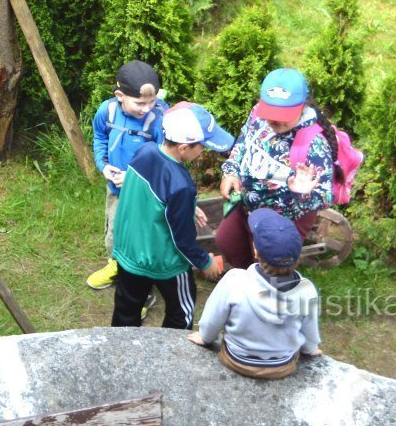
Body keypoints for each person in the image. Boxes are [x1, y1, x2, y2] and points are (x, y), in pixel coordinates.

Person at [110, 102, 230, 331]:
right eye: (201, 147)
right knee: (180, 312)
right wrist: (205, 262)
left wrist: (188, 206)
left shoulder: (145, 151)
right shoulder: (181, 185)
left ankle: (120, 353)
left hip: (130, 253)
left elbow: (151, 195)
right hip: (165, 262)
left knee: (126, 310)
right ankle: (172, 354)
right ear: (184, 148)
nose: (203, 151)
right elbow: (182, 240)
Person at [215, 68, 337, 271]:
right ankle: (249, 279)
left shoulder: (314, 144)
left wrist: (303, 194)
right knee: (226, 241)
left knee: (266, 264)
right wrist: (231, 171)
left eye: (283, 115)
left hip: (282, 219)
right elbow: (243, 144)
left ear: (302, 106)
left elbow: (325, 196)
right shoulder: (257, 115)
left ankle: (266, 291)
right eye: (271, 113)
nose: (275, 120)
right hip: (247, 204)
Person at [188, 208, 323, 379]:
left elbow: (212, 319)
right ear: (297, 257)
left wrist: (205, 337)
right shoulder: (307, 290)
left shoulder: (234, 279)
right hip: (282, 365)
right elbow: (309, 328)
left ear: (256, 251)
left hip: (236, 359)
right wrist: (311, 348)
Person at [86, 61, 168, 290]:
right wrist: (103, 166)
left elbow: (164, 162)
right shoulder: (107, 110)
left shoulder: (159, 119)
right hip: (116, 189)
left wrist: (133, 179)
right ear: (120, 95)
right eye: (140, 103)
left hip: (146, 193)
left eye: (152, 101)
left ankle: (142, 288)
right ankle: (114, 265)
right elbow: (100, 138)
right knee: (114, 230)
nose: (147, 108)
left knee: (140, 239)